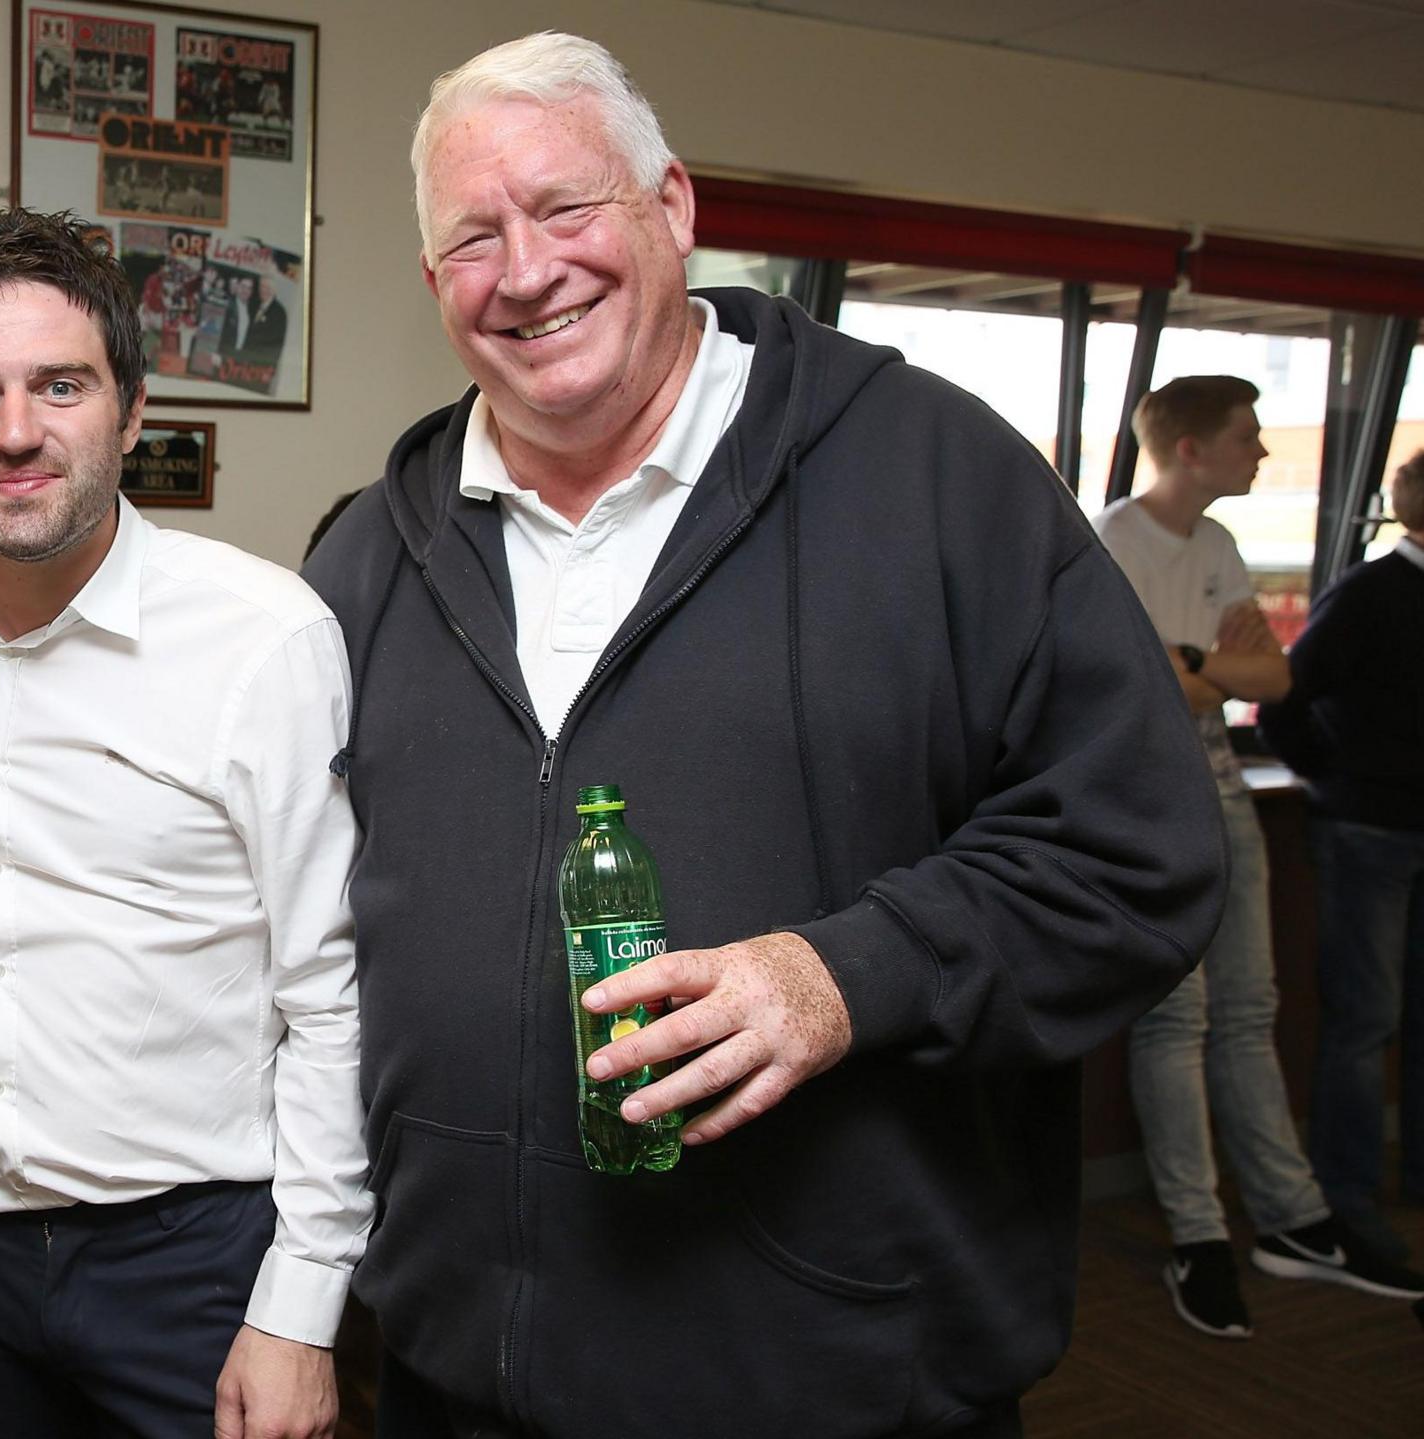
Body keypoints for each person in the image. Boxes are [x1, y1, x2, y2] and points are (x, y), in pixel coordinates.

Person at [300, 32, 1225, 1437]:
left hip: (833, 1377)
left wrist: (845, 971)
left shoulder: (936, 478)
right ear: (437, 286)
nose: (527, 269)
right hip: (454, 1369)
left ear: (671, 207)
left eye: (564, 209)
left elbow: (1136, 850)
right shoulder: (366, 557)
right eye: (473, 238)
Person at [0, 207, 367, 1439]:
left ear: (132, 410)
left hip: (195, 1259)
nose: (15, 431)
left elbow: (332, 992)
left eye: (59, 384)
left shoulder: (266, 638)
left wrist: (299, 1308)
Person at [1098, 377, 1424, 1337]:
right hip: (1146, 809)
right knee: (1178, 1020)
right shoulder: (1114, 539)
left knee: (1252, 1010)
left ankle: (1293, 1221)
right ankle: (1199, 1238)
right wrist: (1205, 665)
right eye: (1248, 436)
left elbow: (1269, 677)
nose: (1264, 454)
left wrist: (1185, 661)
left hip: (1230, 798)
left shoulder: (1221, 544)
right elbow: (1130, 684)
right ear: (1191, 448)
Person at [1259, 448, 1424, 1263]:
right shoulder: (1364, 594)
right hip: (1368, 832)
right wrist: (1335, 777)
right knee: (1368, 1017)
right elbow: (1283, 694)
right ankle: (1348, 1193)